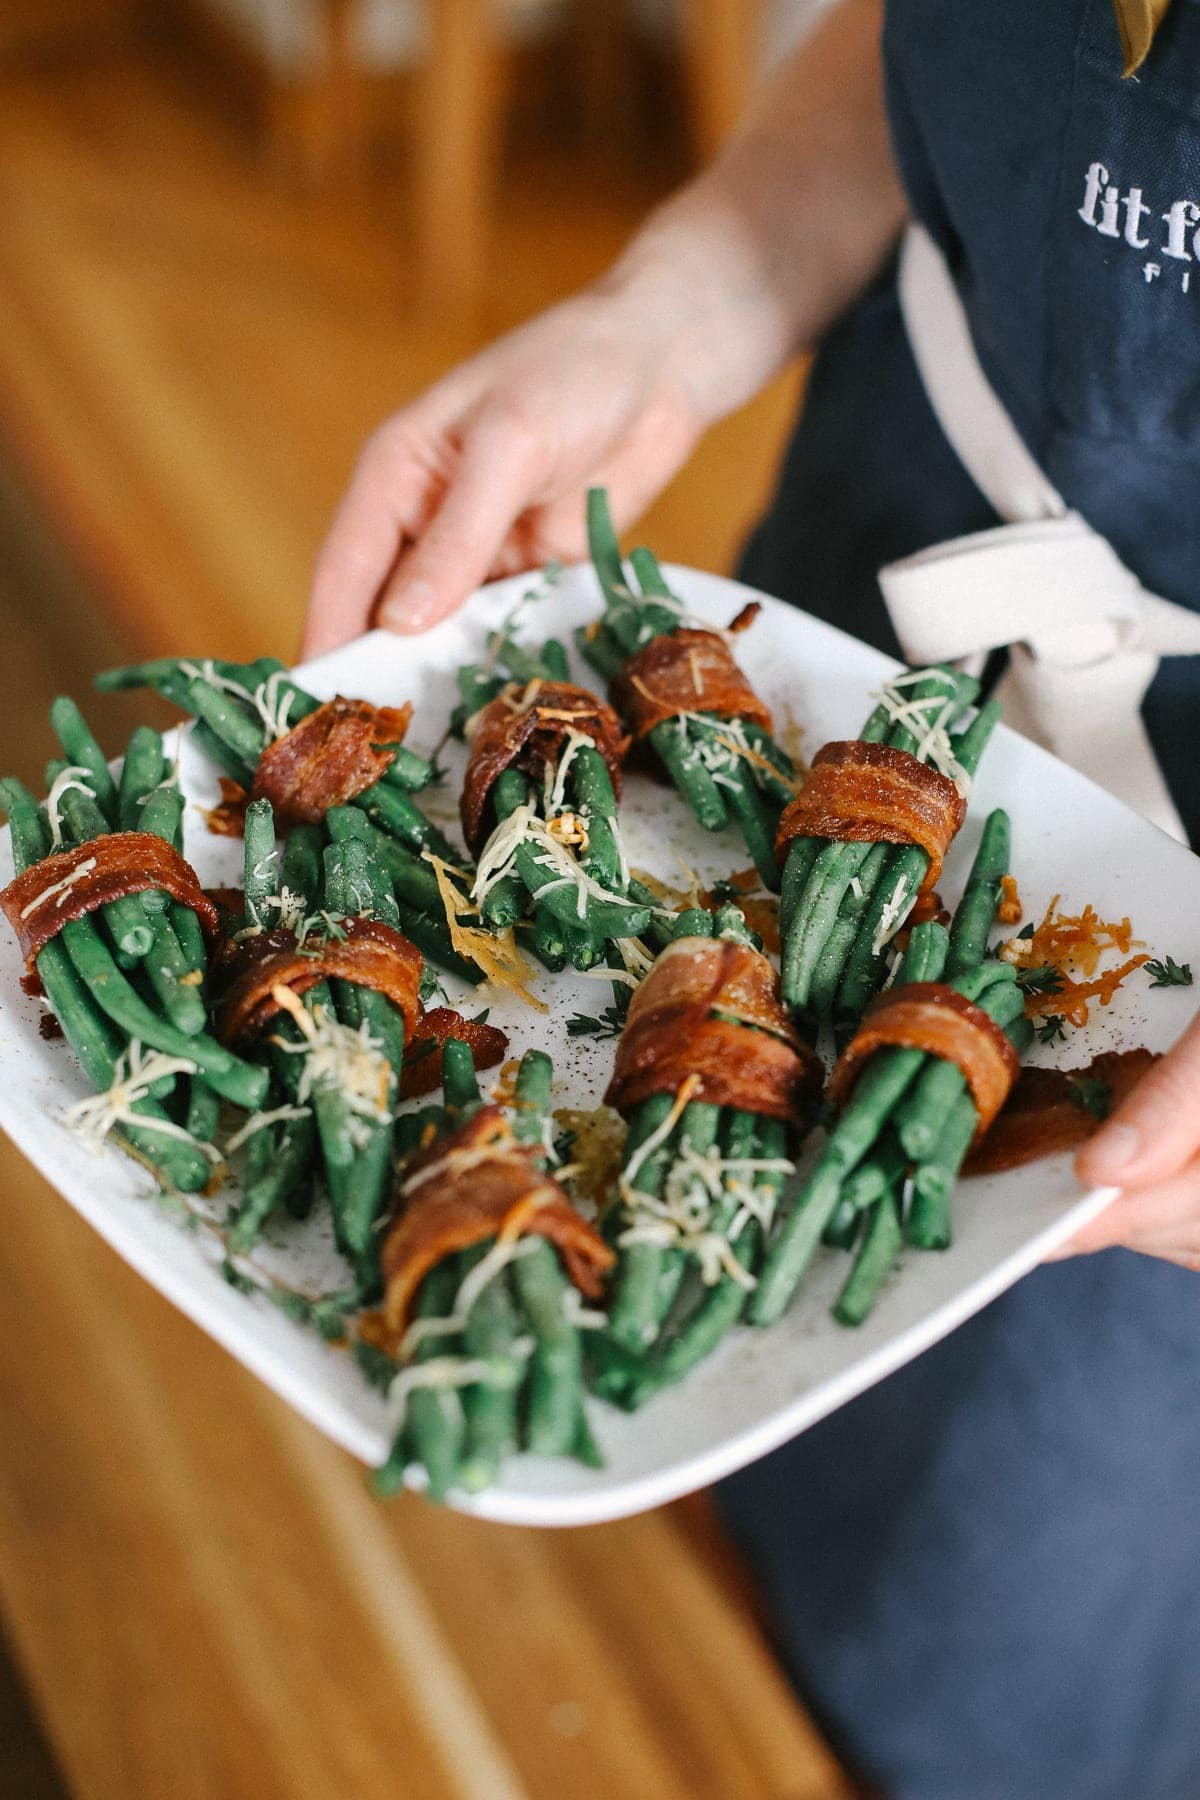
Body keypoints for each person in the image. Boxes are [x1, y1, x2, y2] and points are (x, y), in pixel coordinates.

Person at [304, 4, 1200, 1793]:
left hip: (1156, 1017)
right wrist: (671, 310)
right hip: (858, 631)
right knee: (674, 1377)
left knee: (991, 1629)